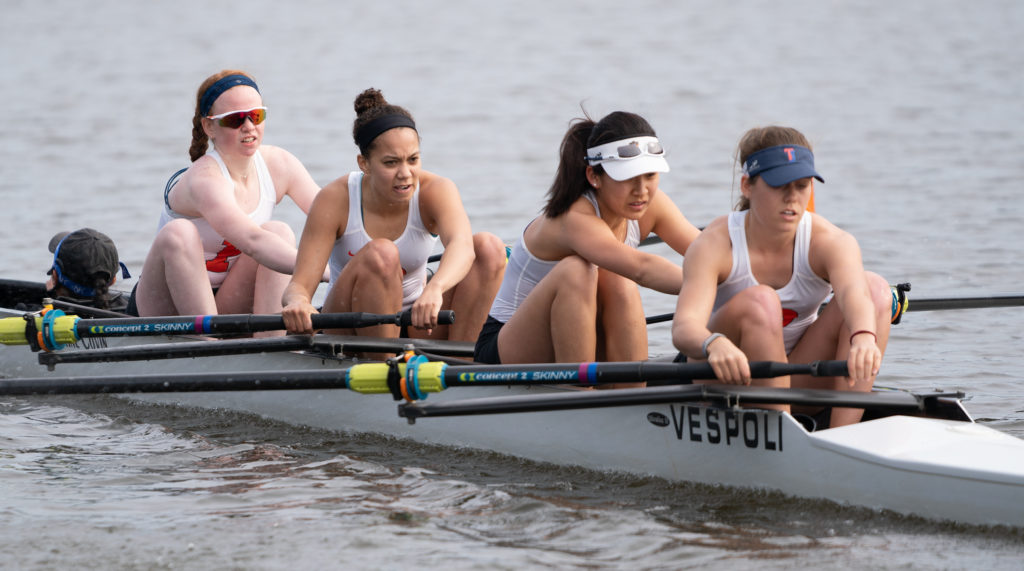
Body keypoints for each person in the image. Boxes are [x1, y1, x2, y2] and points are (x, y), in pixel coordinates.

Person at [671, 125, 892, 428]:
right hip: (726, 376)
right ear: (747, 186)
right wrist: (714, 343)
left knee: (878, 290)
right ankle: (787, 439)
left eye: (802, 186)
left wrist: (864, 337)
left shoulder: (830, 241)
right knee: (761, 300)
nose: (792, 198)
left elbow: (856, 294)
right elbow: (683, 329)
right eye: (779, 186)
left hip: (795, 374)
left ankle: (844, 436)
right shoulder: (715, 243)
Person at [473, 111, 701, 368]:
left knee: (617, 279)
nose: (641, 190)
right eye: (627, 178)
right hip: (505, 348)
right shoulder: (575, 219)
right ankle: (580, 395)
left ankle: (629, 397)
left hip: (576, 330)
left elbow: (705, 252)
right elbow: (643, 269)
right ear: (594, 177)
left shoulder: (651, 204)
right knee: (578, 270)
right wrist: (709, 286)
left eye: (650, 175)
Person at [281, 88, 506, 342]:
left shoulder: (436, 190)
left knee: (489, 247)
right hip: (350, 325)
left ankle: (465, 367)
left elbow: (463, 247)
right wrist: (299, 303)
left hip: (420, 322)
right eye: (391, 163)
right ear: (364, 163)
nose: (405, 173)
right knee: (382, 253)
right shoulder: (335, 198)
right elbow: (298, 286)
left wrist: (435, 289)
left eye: (413, 159)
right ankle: (380, 365)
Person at [132, 70, 324, 324]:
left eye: (256, 116)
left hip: (227, 299)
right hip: (164, 306)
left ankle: (272, 344)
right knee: (180, 232)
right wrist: (327, 273)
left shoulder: (280, 164)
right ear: (209, 126)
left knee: (279, 232)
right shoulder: (205, 179)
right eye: (235, 120)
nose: (249, 127)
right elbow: (253, 241)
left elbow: (333, 218)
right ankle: (208, 346)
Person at [43, 228, 131, 313]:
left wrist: (50, 296)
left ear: (55, 276)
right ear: (113, 280)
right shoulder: (131, 313)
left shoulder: (40, 317)